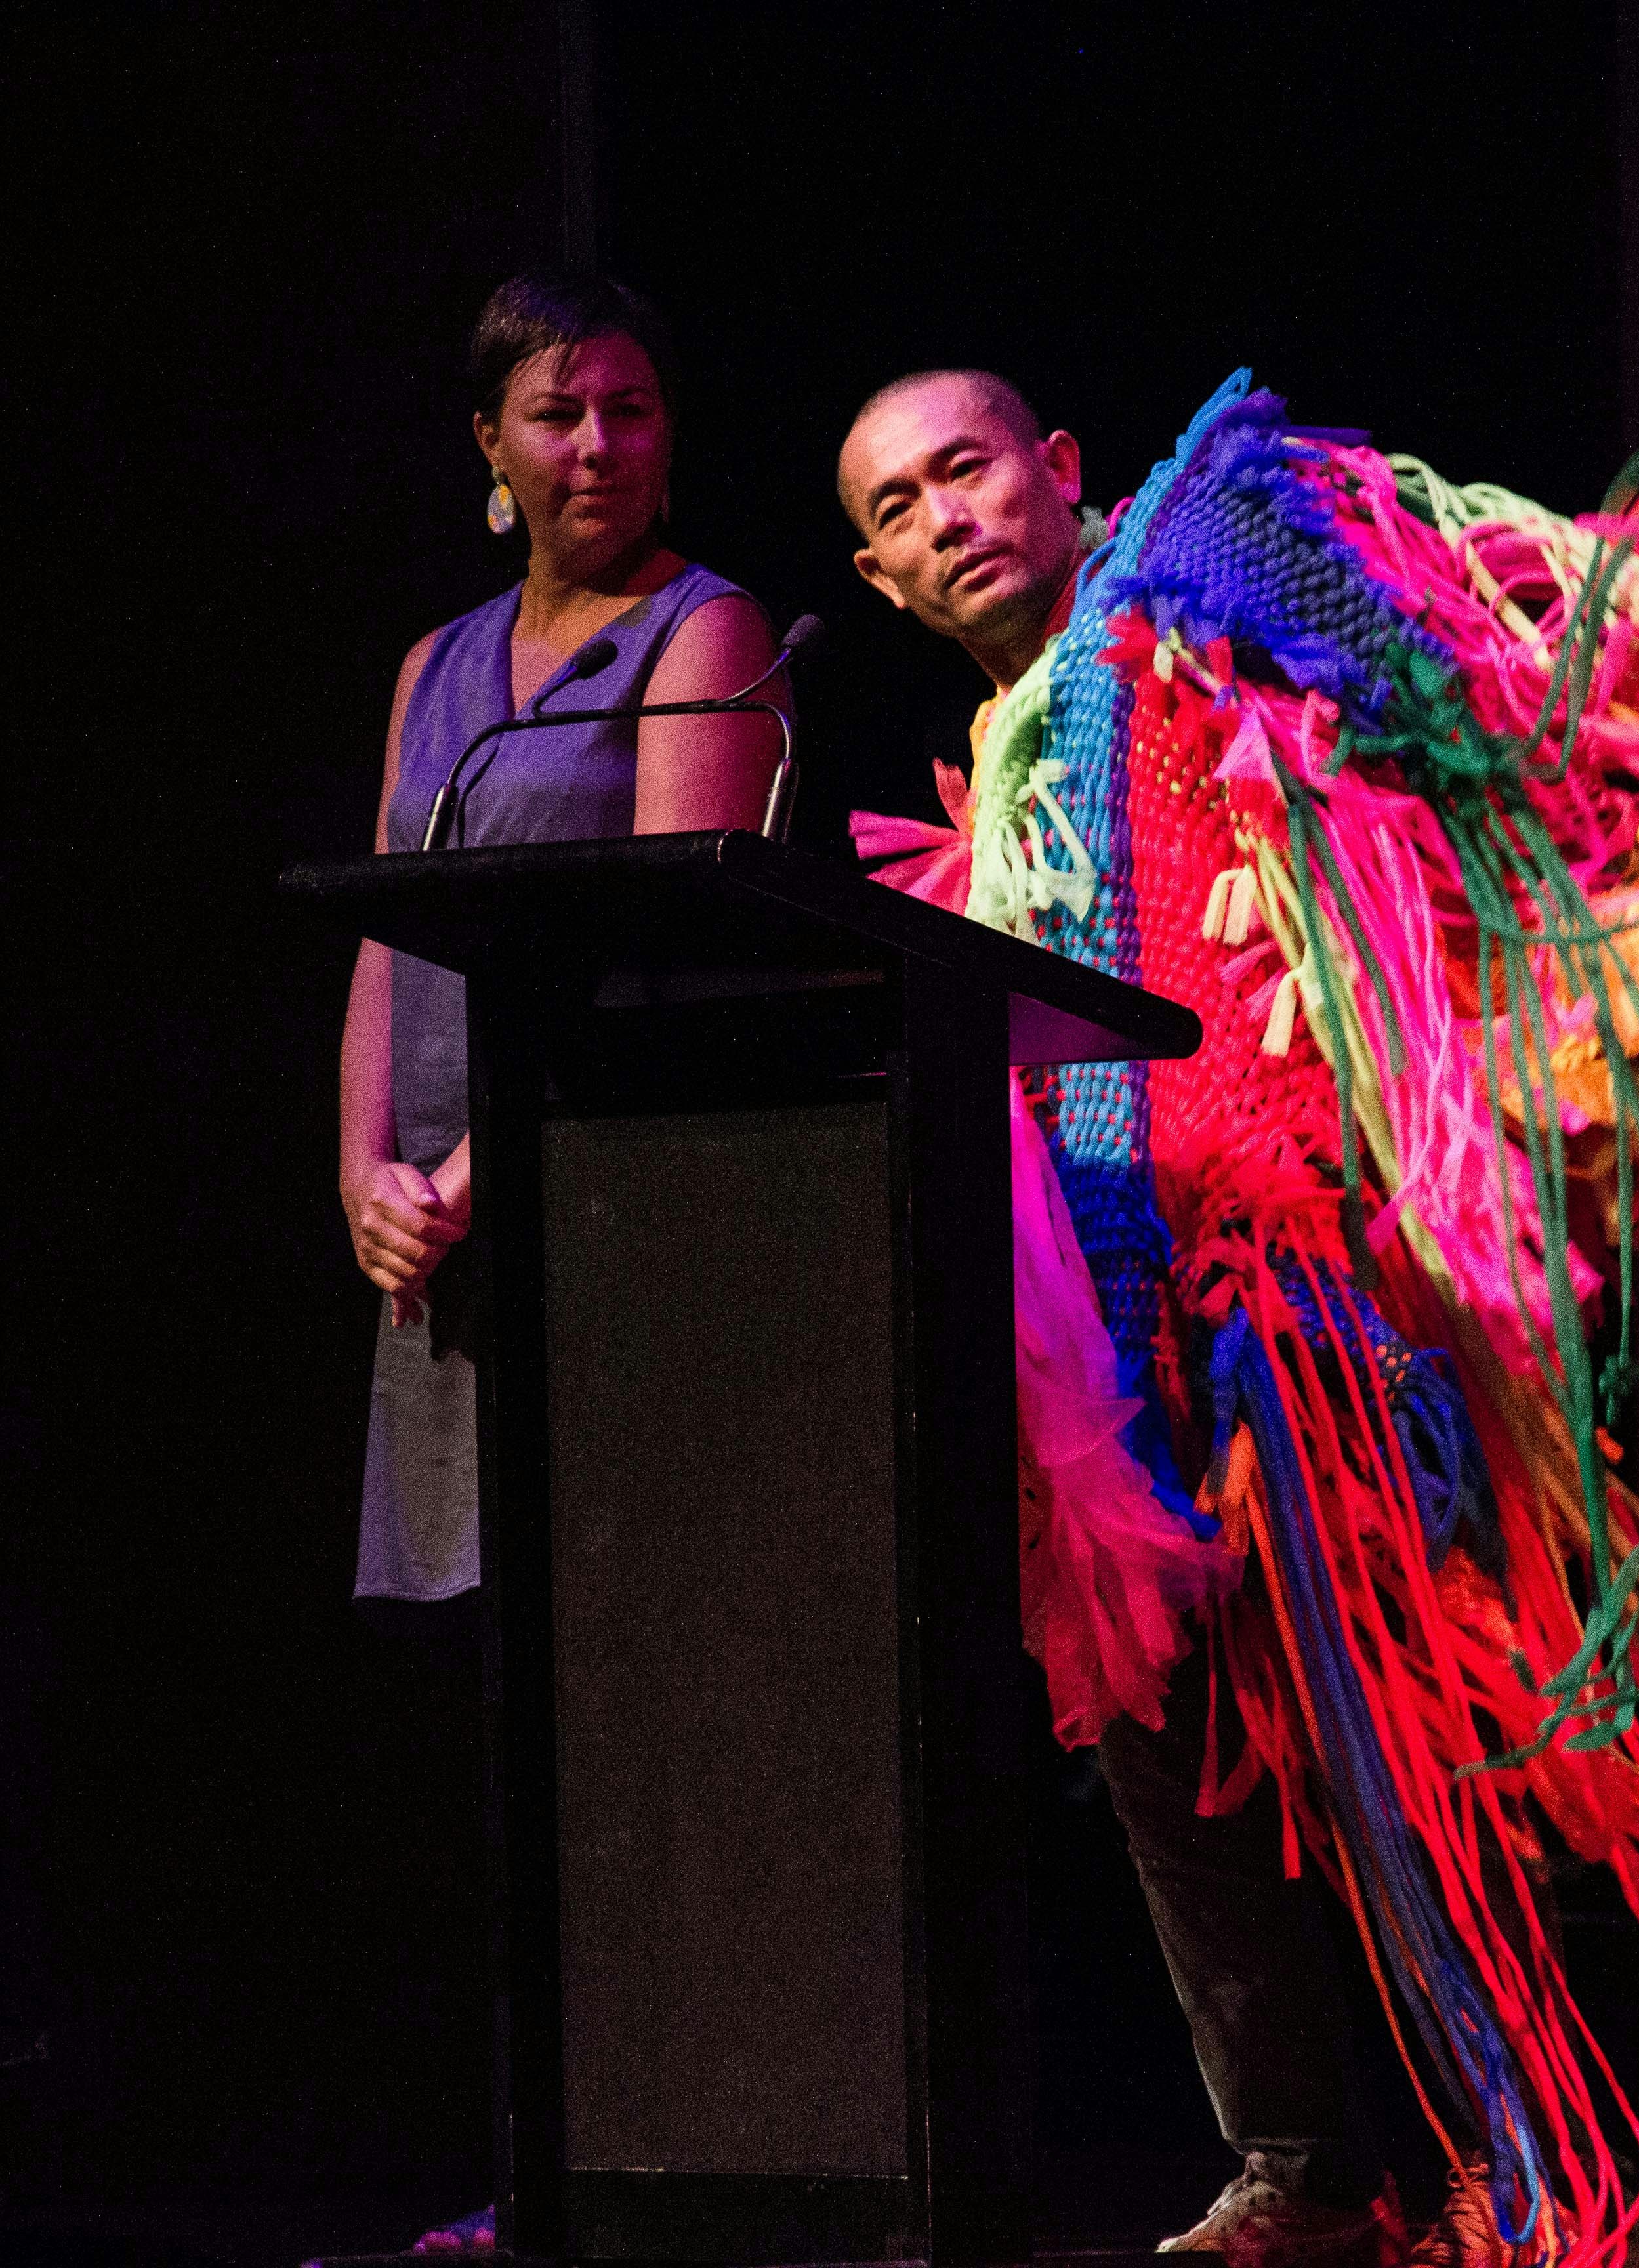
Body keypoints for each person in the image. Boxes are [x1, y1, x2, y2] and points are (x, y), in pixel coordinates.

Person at [840, 370, 1398, 2268]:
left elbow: (1379, 676)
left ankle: (1537, 2134)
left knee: (1395, 1708)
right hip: (1113, 1317)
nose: (946, 522)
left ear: (1060, 472)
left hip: (1304, 1266)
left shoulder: (1177, 593)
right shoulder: (1003, 761)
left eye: (969, 471)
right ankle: (1301, 2166)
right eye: (901, 509)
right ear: (876, 572)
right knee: (1173, 1748)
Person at [341, 269, 786, 1616]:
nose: (598, 445)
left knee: (613, 1618)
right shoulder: (434, 664)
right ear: (491, 441)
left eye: (631, 411)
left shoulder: (704, 629)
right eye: (558, 413)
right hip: (438, 1225)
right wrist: (366, 1175)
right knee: (476, 1647)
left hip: (598, 1184)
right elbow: (382, 935)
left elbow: (655, 938)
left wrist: (472, 1171)